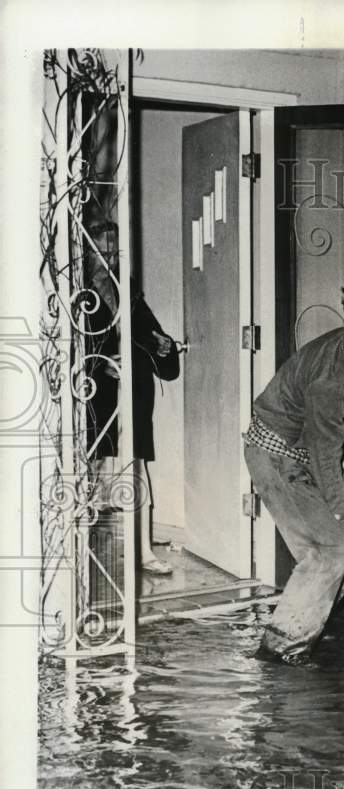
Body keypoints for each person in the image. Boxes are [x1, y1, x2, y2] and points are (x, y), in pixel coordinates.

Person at [245, 270, 344, 665]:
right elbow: (324, 451)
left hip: (304, 449)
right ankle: (280, 652)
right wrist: (343, 518)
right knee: (330, 548)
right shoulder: (330, 381)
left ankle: (309, 622)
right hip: (277, 454)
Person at [84, 223, 181, 575]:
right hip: (96, 400)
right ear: (86, 253)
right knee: (90, 474)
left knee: (136, 469)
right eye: (101, 252)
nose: (108, 259)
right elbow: (71, 352)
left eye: (113, 251)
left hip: (133, 396)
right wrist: (99, 367)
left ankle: (143, 552)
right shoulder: (76, 295)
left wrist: (164, 344)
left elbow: (153, 337)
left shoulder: (129, 291)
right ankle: (83, 556)